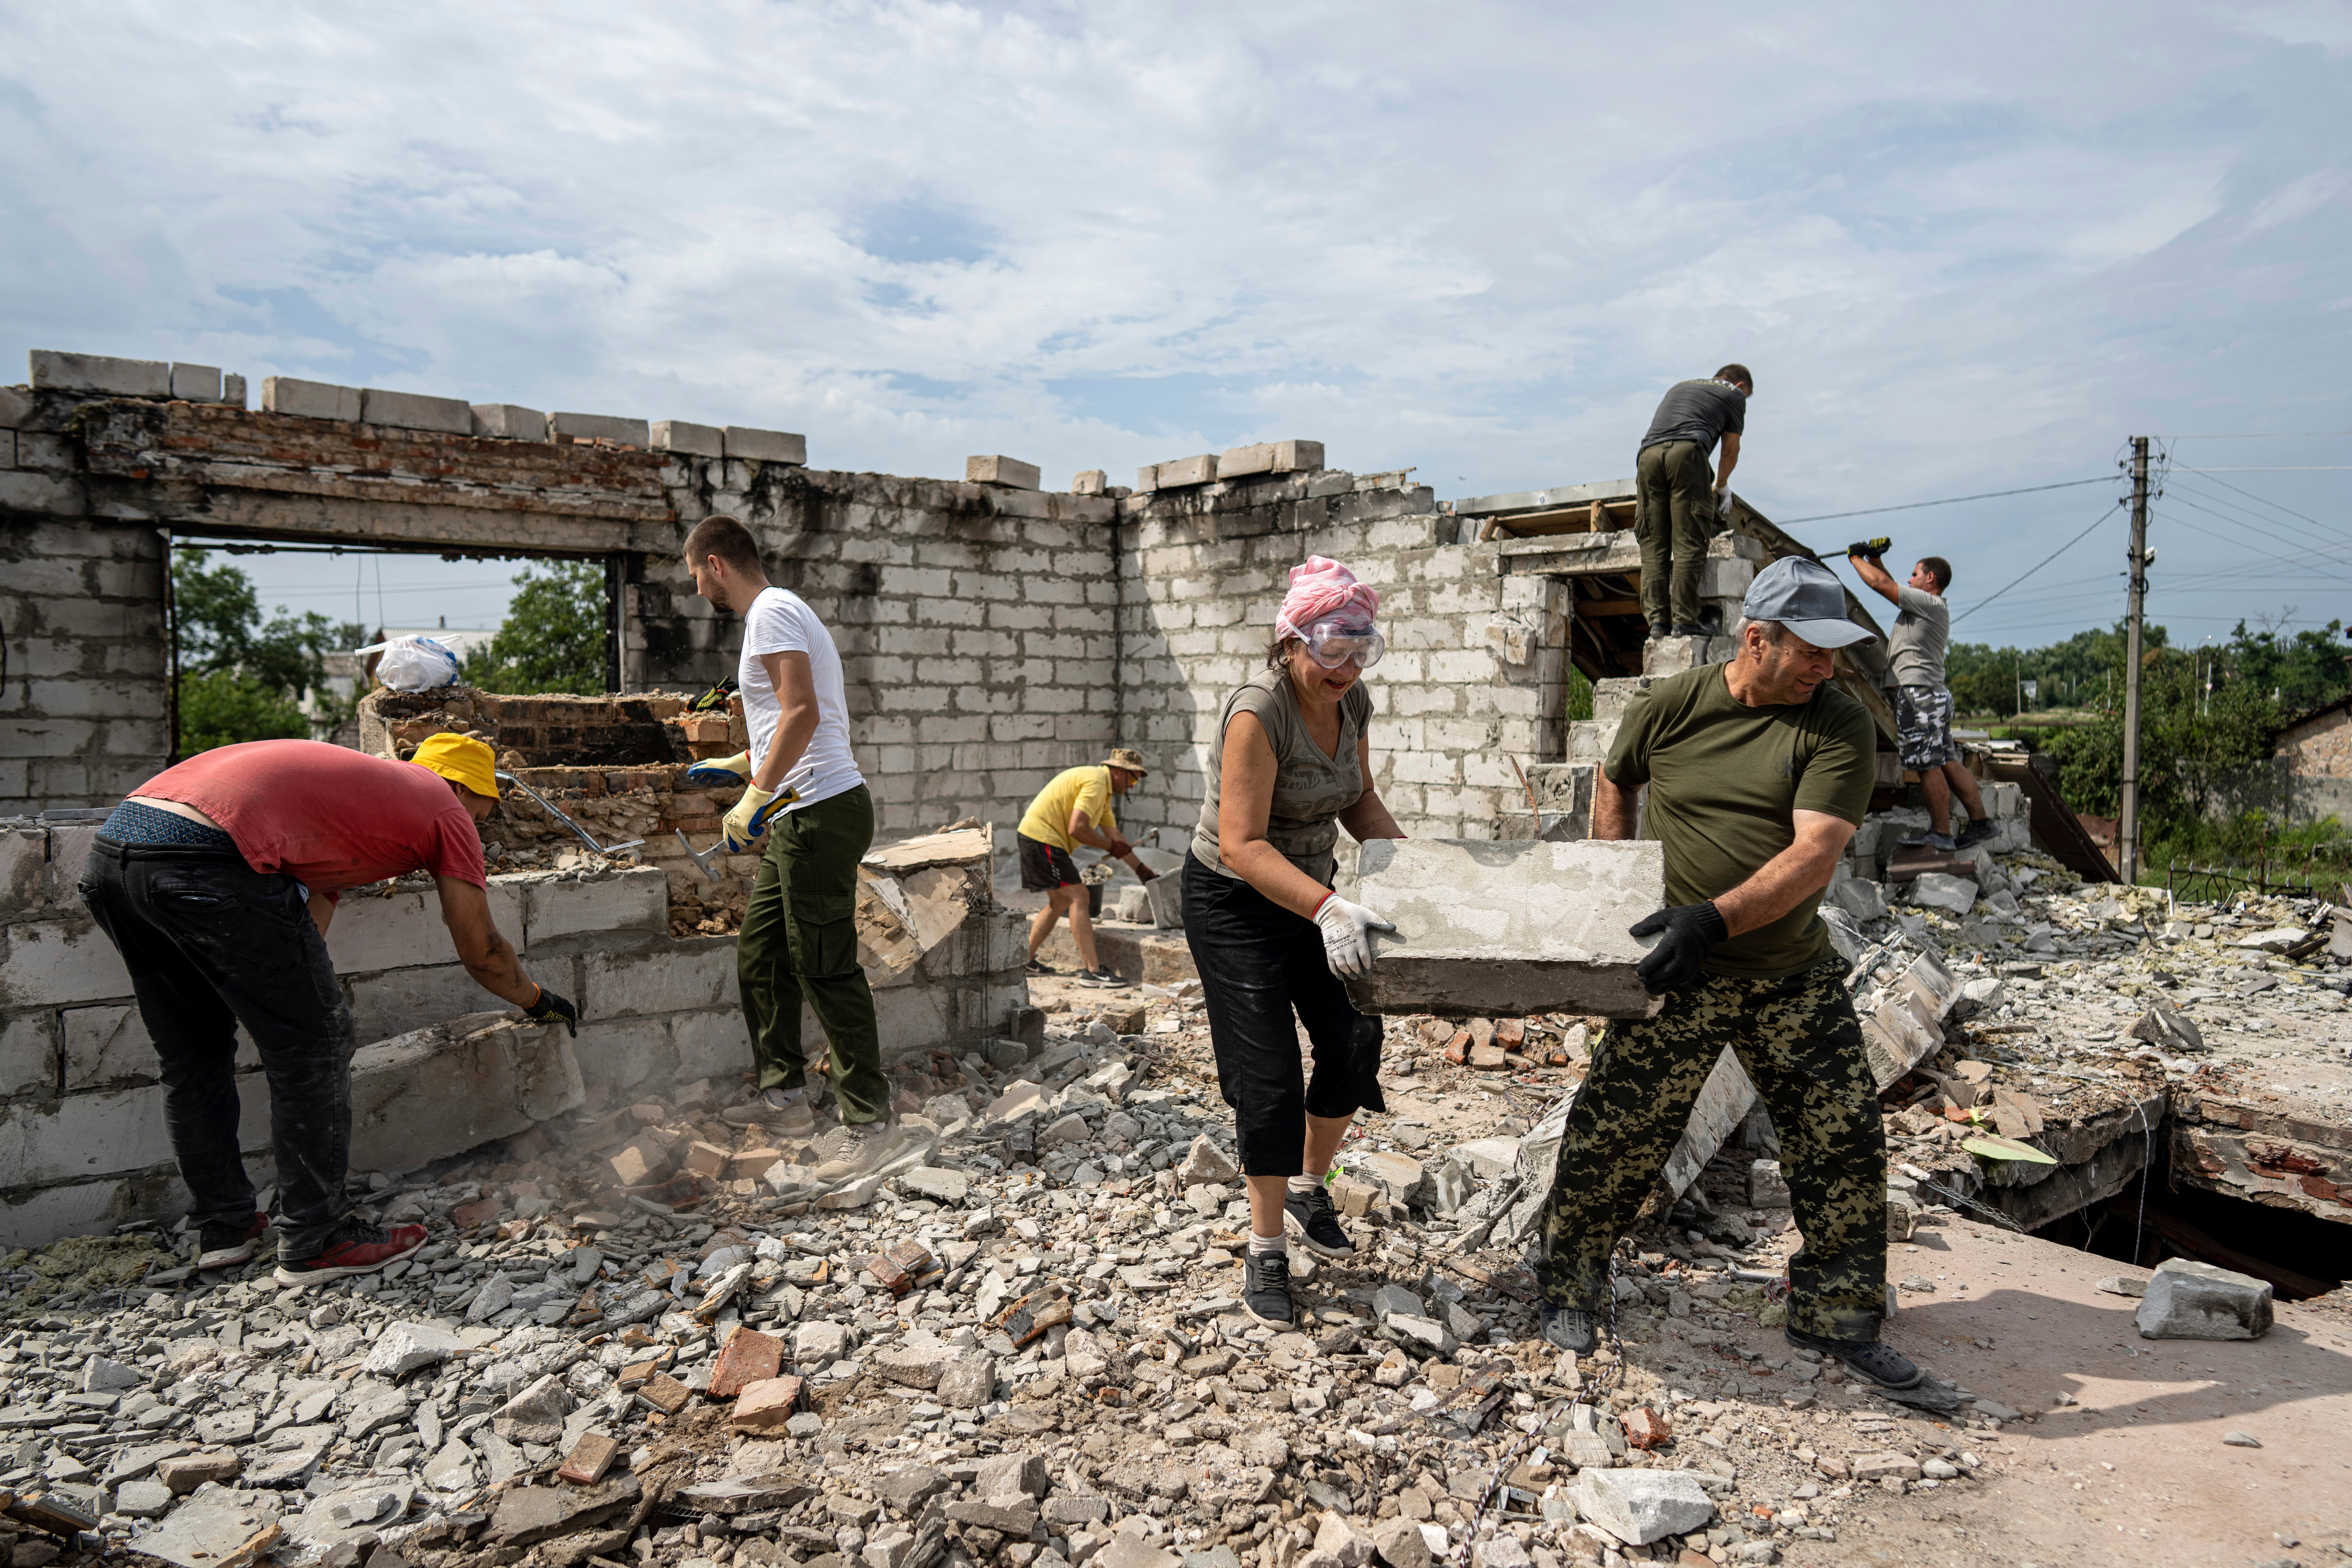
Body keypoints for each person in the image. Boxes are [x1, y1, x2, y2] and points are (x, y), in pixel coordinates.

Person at [1529, 557, 1924, 1391]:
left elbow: (1816, 853)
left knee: (1842, 1143)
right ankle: (1568, 1286)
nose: (1827, 666)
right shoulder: (1672, 705)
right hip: (1680, 973)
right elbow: (1615, 776)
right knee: (1616, 1132)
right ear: (1757, 638)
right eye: (1812, 651)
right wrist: (1620, 885)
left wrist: (1712, 919)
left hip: (1787, 973)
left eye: (1835, 652)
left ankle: (1839, 1319)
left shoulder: (1838, 724)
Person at [77, 733, 577, 1287]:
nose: (474, 831)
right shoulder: (441, 805)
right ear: (461, 787)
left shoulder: (354, 801)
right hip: (205, 859)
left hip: (116, 857)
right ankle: (318, 1239)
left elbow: (299, 934)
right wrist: (540, 1002)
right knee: (316, 1047)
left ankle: (225, 1230)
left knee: (194, 1050)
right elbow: (481, 951)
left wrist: (281, 999)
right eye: (480, 816)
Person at [1185, 556, 1405, 1329]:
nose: (1346, 667)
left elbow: (1361, 800)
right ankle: (1266, 1244)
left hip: (1316, 895)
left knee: (1353, 1038)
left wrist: (1420, 878)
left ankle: (1311, 1188)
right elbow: (1244, 845)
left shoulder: (1355, 704)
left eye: (1361, 649)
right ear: (1291, 644)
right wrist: (1330, 908)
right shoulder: (1259, 713)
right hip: (1235, 901)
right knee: (1269, 1073)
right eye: (1332, 650)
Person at [685, 516, 900, 1182]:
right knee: (762, 952)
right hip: (801, 811)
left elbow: (803, 710)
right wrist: (745, 759)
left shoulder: (771, 611)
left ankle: (870, 1121)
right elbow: (797, 717)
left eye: (695, 575)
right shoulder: (777, 615)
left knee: (824, 965)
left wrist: (757, 791)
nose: (697, 592)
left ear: (716, 563)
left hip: (820, 811)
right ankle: (785, 1097)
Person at [1845, 550, 1991, 852]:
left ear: (1931, 579)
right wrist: (1874, 560)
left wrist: (1855, 558)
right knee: (1947, 761)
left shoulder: (1926, 603)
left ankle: (1941, 832)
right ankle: (1981, 823)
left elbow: (1880, 586)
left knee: (1927, 765)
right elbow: (1886, 580)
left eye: (1915, 575)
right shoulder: (1928, 606)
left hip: (1920, 696)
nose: (1910, 580)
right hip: (1933, 694)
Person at [1017, 749, 1157, 987]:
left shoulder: (1102, 793)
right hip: (1043, 840)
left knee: (1060, 902)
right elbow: (1078, 829)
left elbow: (1117, 839)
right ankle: (1093, 971)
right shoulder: (1095, 783)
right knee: (1080, 896)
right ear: (1120, 771)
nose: (1133, 786)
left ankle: (1025, 961)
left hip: (1039, 838)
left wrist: (1142, 871)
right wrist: (1112, 846)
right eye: (1133, 779)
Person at [1636, 365, 1753, 638]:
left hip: (1648, 456)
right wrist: (1721, 487)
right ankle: (1685, 620)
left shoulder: (1682, 385)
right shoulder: (1734, 394)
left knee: (1654, 542)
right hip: (1687, 453)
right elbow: (1730, 451)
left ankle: (1658, 622)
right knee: (1689, 538)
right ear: (1741, 385)